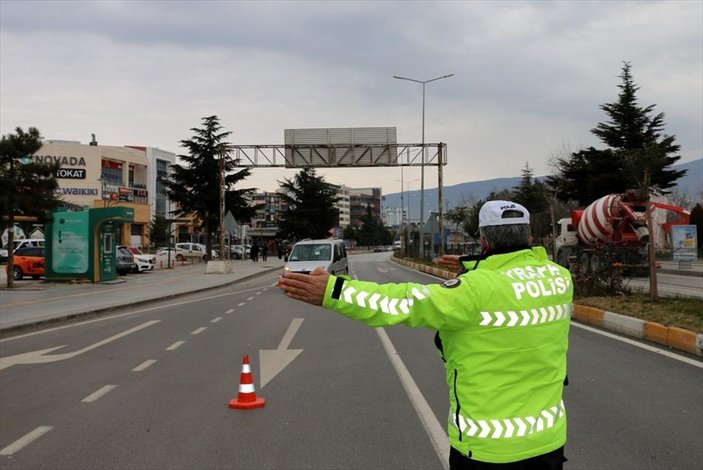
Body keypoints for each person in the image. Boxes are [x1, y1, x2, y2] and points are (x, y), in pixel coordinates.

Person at [278, 200, 572, 469]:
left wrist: (334, 290)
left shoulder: (474, 289)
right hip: (548, 442)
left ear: (483, 240)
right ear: (529, 238)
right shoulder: (559, 278)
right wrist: (469, 264)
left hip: (490, 449)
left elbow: (404, 302)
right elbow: (512, 280)